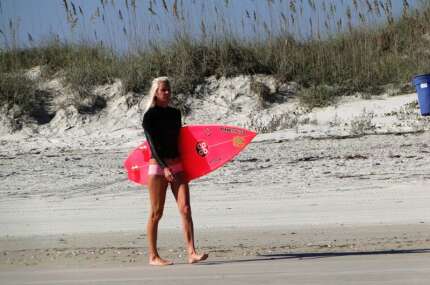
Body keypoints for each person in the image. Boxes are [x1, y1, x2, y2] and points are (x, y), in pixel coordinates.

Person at [142, 76, 208, 266]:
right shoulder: (149, 116)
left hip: (177, 164)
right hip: (158, 166)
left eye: (169, 89)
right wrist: (164, 168)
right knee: (156, 212)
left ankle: (191, 252)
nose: (168, 93)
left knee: (185, 208)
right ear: (156, 92)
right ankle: (153, 256)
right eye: (164, 90)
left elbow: (182, 142)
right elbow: (152, 146)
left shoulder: (175, 113)